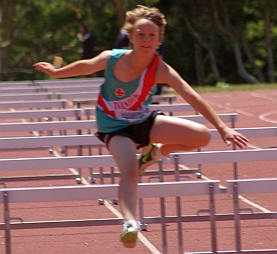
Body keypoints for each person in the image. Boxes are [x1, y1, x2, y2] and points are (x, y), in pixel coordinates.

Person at [34, 5, 248, 249]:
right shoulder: (112, 59)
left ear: (159, 41)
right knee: (130, 171)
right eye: (141, 34)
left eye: (152, 36)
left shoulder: (160, 69)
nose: (146, 40)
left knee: (202, 136)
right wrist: (56, 72)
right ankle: (130, 223)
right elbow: (84, 66)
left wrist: (223, 128)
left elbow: (192, 96)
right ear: (131, 36)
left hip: (143, 121)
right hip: (114, 127)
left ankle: (155, 153)